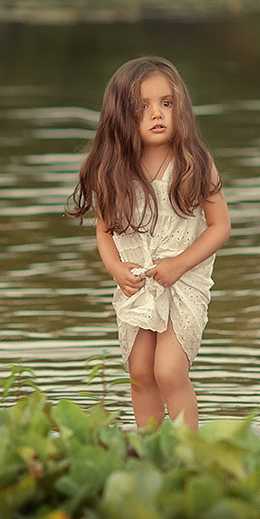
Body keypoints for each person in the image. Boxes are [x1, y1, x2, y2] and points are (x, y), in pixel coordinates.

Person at [69, 57, 230, 430]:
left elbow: (220, 226)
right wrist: (113, 267)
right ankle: (152, 449)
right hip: (138, 283)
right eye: (143, 107)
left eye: (166, 103)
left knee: (169, 370)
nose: (157, 114)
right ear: (121, 116)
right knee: (140, 371)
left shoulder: (195, 163)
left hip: (183, 281)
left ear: (180, 107)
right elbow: (104, 230)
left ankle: (190, 454)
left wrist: (179, 264)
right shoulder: (113, 170)